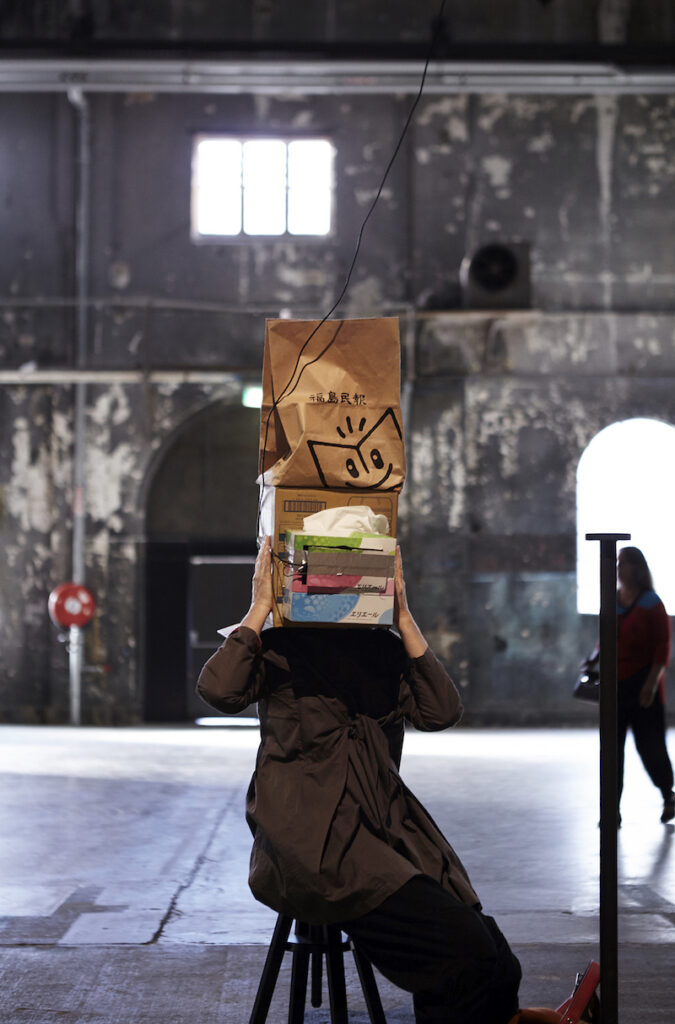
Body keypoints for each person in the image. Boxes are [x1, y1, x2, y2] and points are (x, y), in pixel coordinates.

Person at [197, 536, 522, 1024]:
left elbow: (441, 712)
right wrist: (260, 607)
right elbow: (218, 690)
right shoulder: (280, 651)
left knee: (497, 956)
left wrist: (404, 617)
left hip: (380, 832)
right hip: (317, 845)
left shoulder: (382, 652)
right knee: (467, 954)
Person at [615, 546, 674, 825]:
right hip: (616, 686)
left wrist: (650, 685)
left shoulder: (652, 603)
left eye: (623, 563)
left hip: (643, 686)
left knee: (650, 747)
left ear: (637, 568)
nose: (618, 568)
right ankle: (611, 810)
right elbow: (606, 641)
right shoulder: (613, 601)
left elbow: (662, 648)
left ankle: (668, 795)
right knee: (612, 751)